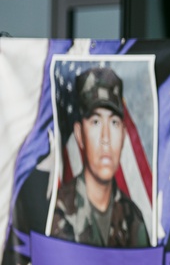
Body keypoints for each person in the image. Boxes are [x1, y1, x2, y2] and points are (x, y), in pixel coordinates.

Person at [50, 67, 149, 247]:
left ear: (124, 135)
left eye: (114, 123)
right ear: (80, 135)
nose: (106, 138)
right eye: (96, 122)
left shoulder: (134, 218)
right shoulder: (57, 211)